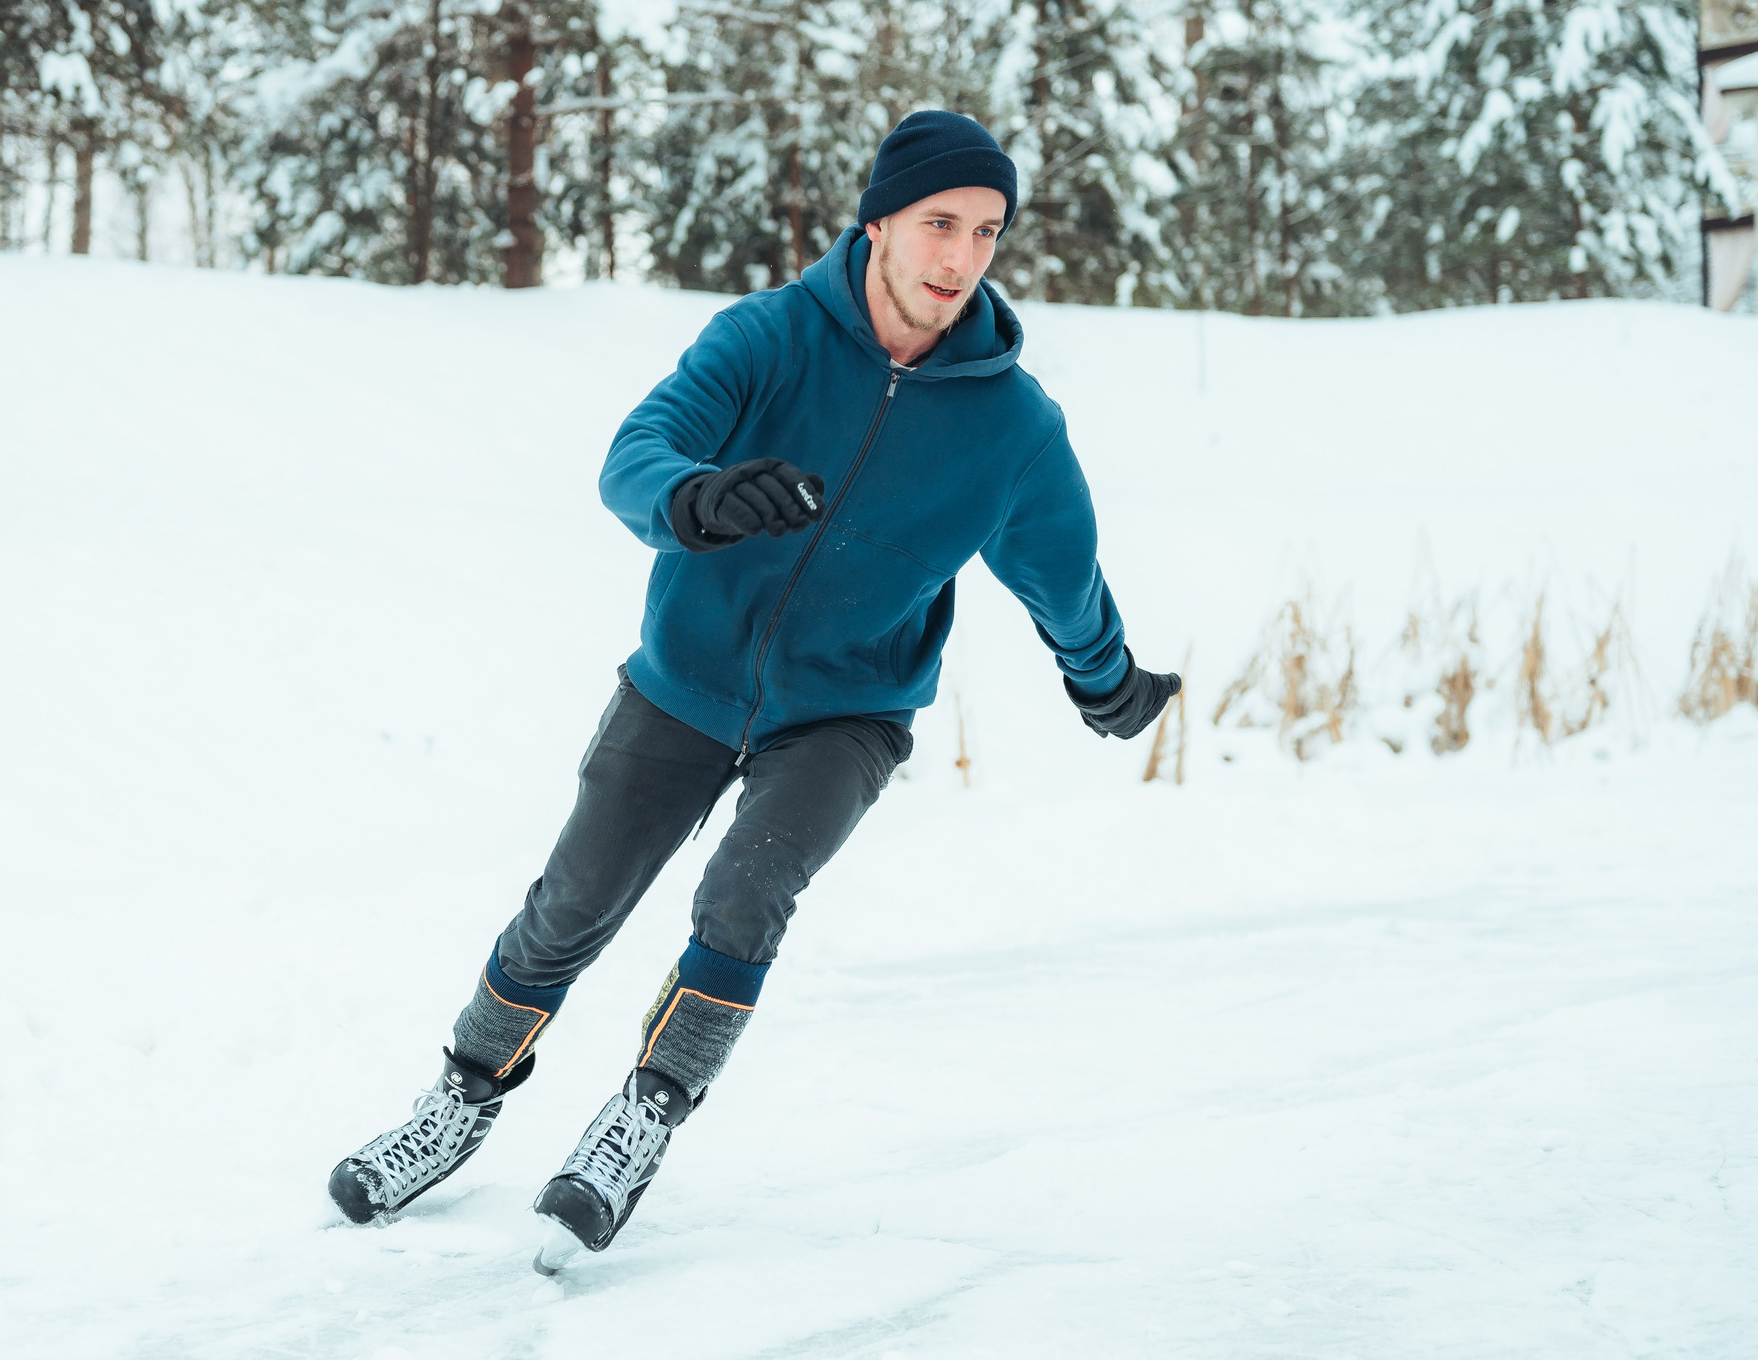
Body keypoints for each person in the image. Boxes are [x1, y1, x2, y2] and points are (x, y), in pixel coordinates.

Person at [326, 109, 1180, 1269]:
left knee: (745, 894)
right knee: (571, 905)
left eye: (985, 232)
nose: (959, 259)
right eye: (938, 223)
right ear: (877, 219)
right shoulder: (769, 338)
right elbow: (638, 452)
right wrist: (697, 502)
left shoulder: (1013, 427)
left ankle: (644, 1116)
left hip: (848, 712)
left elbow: (1062, 571)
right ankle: (462, 1095)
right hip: (683, 681)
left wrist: (1106, 678)